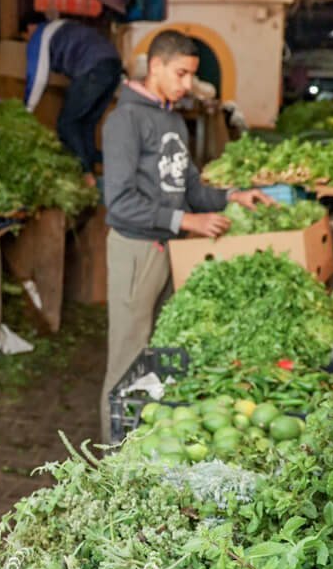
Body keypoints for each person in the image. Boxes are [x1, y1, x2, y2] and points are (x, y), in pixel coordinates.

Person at [100, 28, 272, 440]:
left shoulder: (173, 119)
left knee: (158, 352)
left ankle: (141, 445)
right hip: (137, 251)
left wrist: (233, 197)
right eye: (180, 74)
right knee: (127, 357)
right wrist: (186, 222)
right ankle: (108, 457)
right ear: (155, 66)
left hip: (167, 248)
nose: (187, 85)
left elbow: (190, 188)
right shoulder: (125, 121)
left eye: (191, 75)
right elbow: (120, 202)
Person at [25, 18, 123, 182]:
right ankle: (110, 171)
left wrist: (27, 109)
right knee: (86, 124)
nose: (28, 42)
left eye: (26, 38)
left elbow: (38, 76)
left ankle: (86, 176)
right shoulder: (66, 26)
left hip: (93, 67)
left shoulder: (41, 34)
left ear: (29, 28)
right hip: (113, 65)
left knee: (67, 124)